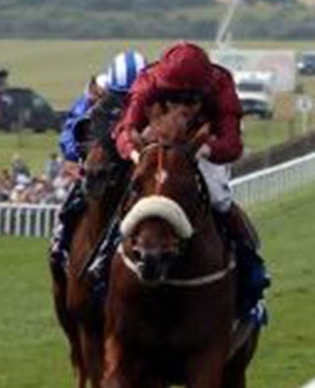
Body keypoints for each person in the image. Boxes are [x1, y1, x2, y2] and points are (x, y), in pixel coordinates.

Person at [108, 40, 268, 322]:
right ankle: (101, 264)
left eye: (192, 100)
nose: (184, 107)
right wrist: (134, 152)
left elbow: (232, 144)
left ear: (203, 93)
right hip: (154, 142)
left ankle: (251, 277)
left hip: (203, 145)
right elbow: (125, 129)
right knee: (127, 196)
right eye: (175, 99)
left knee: (219, 200)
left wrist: (203, 150)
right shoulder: (148, 81)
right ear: (163, 90)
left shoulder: (221, 84)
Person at [49, 48, 146, 277]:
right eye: (119, 95)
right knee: (74, 201)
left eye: (130, 96)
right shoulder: (94, 95)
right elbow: (70, 131)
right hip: (101, 164)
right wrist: (76, 156)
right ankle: (60, 244)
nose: (125, 101)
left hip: (133, 165)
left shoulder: (152, 98)